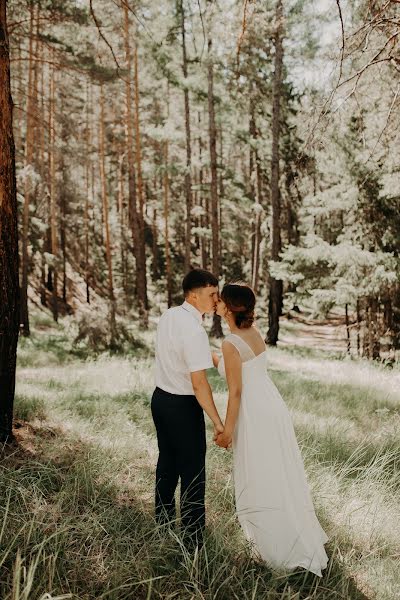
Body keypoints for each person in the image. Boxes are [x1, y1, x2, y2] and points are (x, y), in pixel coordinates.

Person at [214, 282, 328, 576]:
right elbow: (244, 368)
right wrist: (212, 358)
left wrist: (227, 430)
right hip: (272, 405)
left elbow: (236, 390)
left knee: (259, 474)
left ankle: (275, 549)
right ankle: (287, 536)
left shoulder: (230, 343)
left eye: (220, 300)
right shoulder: (251, 334)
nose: (216, 302)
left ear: (229, 307)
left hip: (253, 412)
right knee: (277, 473)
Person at [151, 268, 224, 550]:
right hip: (182, 406)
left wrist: (217, 358)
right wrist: (217, 422)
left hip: (160, 400)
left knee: (167, 463)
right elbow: (199, 384)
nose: (216, 300)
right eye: (211, 294)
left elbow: (177, 352)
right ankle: (193, 541)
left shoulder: (170, 315)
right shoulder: (194, 330)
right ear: (194, 295)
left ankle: (164, 522)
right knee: (193, 472)